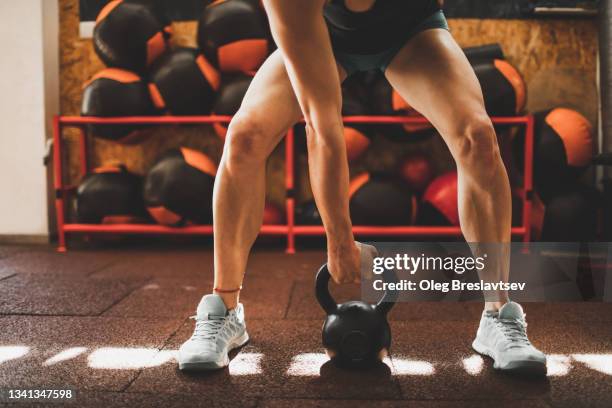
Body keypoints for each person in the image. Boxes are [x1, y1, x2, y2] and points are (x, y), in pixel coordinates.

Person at [178, 0, 547, 374]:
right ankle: (223, 309)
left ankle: (499, 315)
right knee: (244, 136)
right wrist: (339, 241)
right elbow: (322, 125)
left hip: (410, 33)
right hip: (323, 33)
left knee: (477, 136)